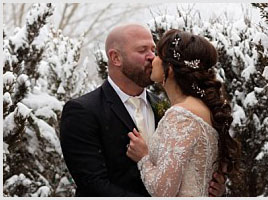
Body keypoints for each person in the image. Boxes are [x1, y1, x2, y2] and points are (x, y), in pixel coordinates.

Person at [60, 24, 227, 197]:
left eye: (153, 50)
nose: (151, 57)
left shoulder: (170, 109)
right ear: (115, 57)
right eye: (142, 50)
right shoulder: (83, 111)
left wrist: (209, 187)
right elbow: (93, 185)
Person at [126, 29, 240, 196]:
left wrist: (143, 157)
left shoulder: (181, 115)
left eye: (158, 55)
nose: (153, 59)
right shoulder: (203, 108)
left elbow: (163, 190)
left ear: (170, 69)